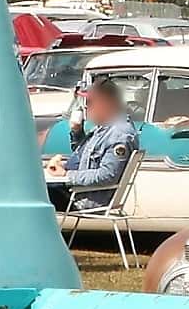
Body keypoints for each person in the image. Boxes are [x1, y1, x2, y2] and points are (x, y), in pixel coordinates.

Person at [44, 77, 139, 211]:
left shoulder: (119, 134)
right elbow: (83, 156)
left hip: (84, 198)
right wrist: (77, 130)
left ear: (106, 103)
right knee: (32, 187)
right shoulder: (103, 127)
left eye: (89, 102)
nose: (86, 107)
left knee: (31, 194)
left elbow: (108, 175)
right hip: (76, 191)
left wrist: (67, 175)